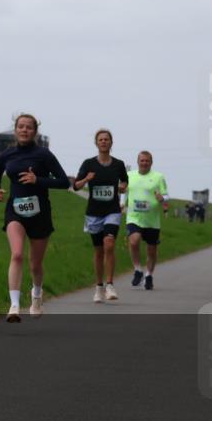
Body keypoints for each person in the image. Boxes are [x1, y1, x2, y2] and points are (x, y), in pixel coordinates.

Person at [0, 114, 70, 322]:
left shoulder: (43, 155)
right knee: (16, 255)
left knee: (35, 264)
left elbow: (63, 182)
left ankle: (36, 295)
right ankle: (14, 305)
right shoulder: (8, 154)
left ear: (35, 132)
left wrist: (38, 180)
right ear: (16, 130)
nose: (24, 130)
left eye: (28, 127)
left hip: (40, 213)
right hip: (15, 210)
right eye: (21, 126)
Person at [73, 129, 129, 303]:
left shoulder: (118, 164)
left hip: (112, 211)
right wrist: (86, 179)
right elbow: (75, 185)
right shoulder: (88, 164)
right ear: (96, 143)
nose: (104, 142)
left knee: (109, 244)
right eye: (101, 139)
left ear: (111, 143)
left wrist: (122, 187)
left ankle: (110, 284)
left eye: (106, 139)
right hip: (94, 213)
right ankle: (99, 287)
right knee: (98, 251)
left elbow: (125, 181)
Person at [122, 151, 168, 291]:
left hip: (152, 220)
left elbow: (165, 196)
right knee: (134, 240)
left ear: (151, 162)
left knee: (152, 250)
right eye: (142, 160)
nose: (144, 163)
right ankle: (137, 270)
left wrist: (162, 199)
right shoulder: (129, 175)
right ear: (138, 162)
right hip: (134, 217)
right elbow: (124, 192)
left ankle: (148, 275)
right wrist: (122, 203)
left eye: (147, 161)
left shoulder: (158, 177)